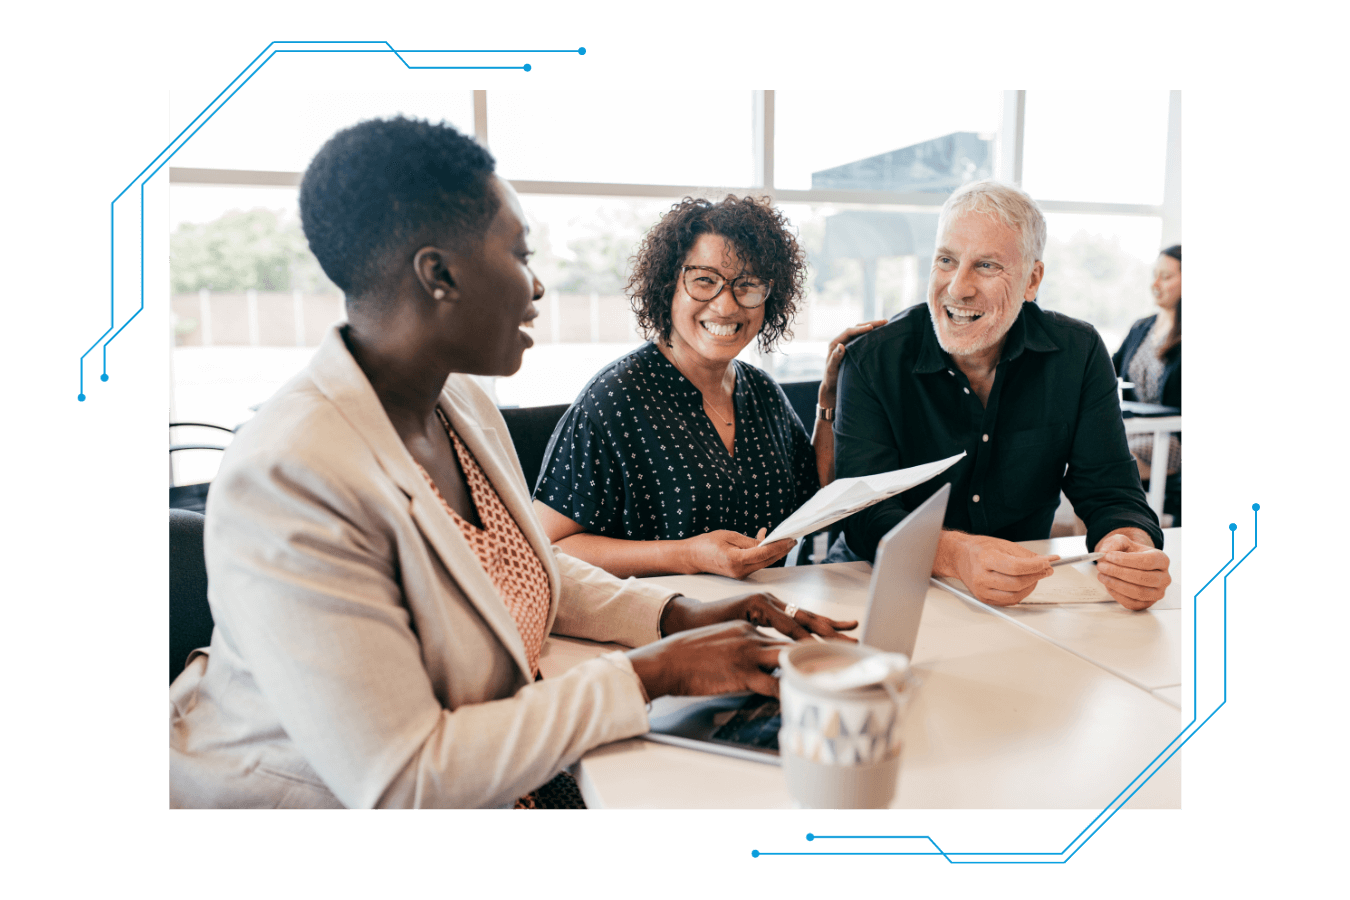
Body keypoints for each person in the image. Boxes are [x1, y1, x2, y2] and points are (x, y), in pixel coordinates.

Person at [168, 117, 856, 810]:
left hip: (509, 770)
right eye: (520, 254)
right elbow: (403, 778)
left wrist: (680, 618)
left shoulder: (458, 401)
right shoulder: (290, 474)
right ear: (439, 273)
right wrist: (652, 674)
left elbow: (521, 564)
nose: (537, 287)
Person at [831, 180, 1172, 611]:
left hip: (1019, 596)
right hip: (878, 584)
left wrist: (1130, 546)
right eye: (946, 260)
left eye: (986, 265)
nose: (957, 287)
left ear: (1032, 280)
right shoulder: (872, 360)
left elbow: (1110, 492)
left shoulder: (1078, 353)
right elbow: (865, 515)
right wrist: (958, 555)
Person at [532, 194, 883, 578]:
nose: (727, 306)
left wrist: (829, 398)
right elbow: (550, 547)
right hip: (659, 623)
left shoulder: (761, 392)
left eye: (747, 285)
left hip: (763, 614)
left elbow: (816, 493)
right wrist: (687, 555)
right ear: (668, 285)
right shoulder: (615, 400)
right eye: (705, 280)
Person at [1112, 245, 1182, 524]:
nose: (1155, 284)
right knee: (1084, 459)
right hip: (1137, 430)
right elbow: (1106, 371)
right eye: (1154, 275)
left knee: (1103, 468)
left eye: (1165, 277)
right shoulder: (1142, 327)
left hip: (1172, 438)